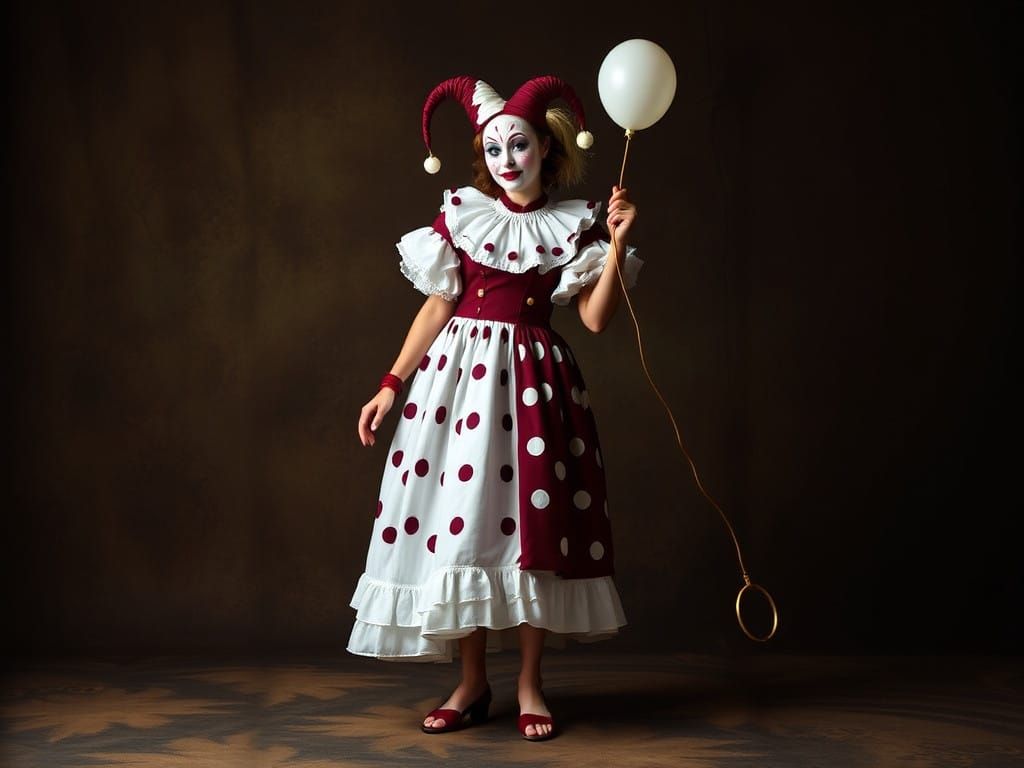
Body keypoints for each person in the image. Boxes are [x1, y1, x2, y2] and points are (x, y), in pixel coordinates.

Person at [349, 75, 644, 742]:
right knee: (465, 528)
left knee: (531, 535)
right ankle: (472, 679)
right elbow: (437, 304)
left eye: (519, 145)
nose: (507, 159)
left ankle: (530, 681)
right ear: (483, 157)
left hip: (536, 392)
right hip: (457, 391)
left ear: (545, 146)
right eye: (493, 148)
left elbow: (595, 321)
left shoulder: (570, 227)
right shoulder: (463, 216)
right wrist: (391, 383)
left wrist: (619, 242)